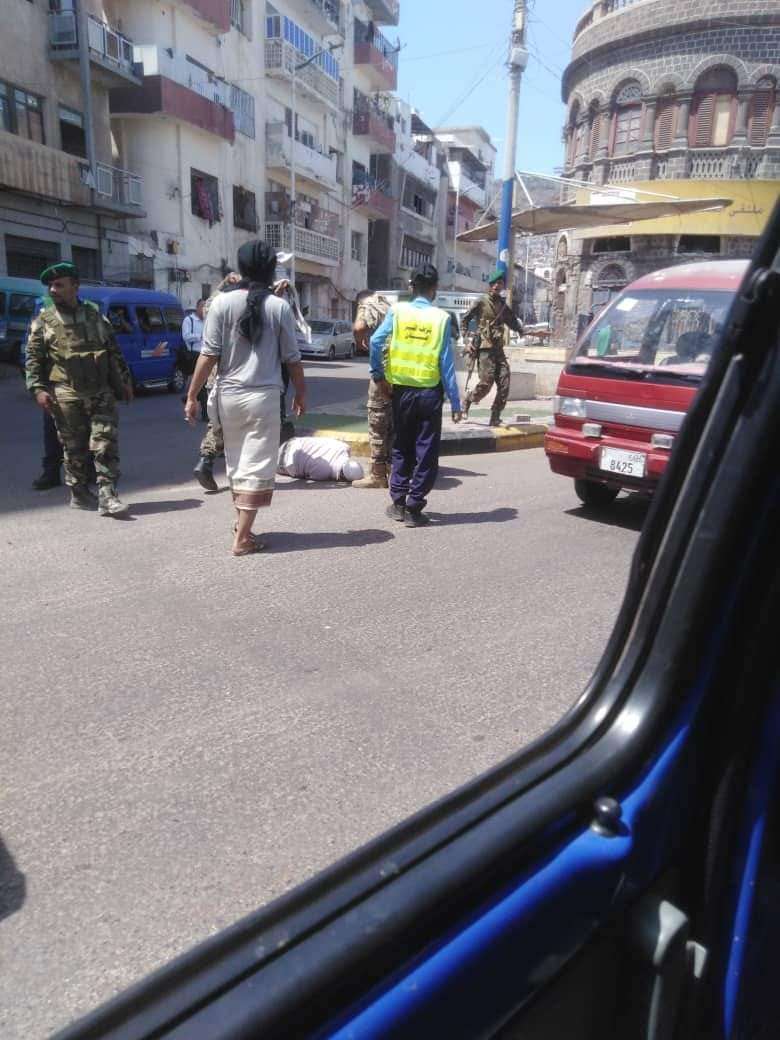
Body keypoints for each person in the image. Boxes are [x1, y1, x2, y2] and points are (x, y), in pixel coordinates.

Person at [185, 240, 306, 556]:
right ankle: (242, 538)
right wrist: (301, 395)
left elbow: (208, 355)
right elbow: (292, 359)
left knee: (236, 463)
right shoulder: (279, 307)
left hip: (227, 397)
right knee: (257, 465)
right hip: (263, 398)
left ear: (240, 268)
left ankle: (242, 526)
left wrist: (191, 395)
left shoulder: (221, 304)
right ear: (270, 270)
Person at [26, 261, 133, 516]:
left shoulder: (95, 315)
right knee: (74, 449)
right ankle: (79, 493)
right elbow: (33, 360)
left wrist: (124, 382)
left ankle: (107, 496)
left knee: (104, 442)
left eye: (59, 285)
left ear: (75, 286)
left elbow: (113, 351)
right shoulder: (44, 321)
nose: (53, 290)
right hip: (66, 394)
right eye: (51, 285)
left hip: (99, 392)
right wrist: (38, 389)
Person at [370, 264, 462, 528]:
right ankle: (414, 505)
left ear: (412, 287)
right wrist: (455, 401)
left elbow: (376, 341)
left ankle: (398, 502)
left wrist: (379, 374)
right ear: (434, 289)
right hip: (430, 393)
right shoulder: (441, 318)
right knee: (426, 450)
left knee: (401, 446)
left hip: (402, 392)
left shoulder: (397, 311)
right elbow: (446, 364)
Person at [193, 275, 296, 493]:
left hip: (219, 376)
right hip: (245, 377)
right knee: (243, 431)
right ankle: (242, 479)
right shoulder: (233, 303)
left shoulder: (218, 303)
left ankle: (208, 462)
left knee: (219, 424)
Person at [461, 270, 523, 427]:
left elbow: (513, 322)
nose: (497, 286)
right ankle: (468, 399)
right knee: (486, 383)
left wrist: (523, 331)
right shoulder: (481, 302)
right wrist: (467, 339)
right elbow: (465, 319)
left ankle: (495, 416)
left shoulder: (503, 306)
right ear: (490, 285)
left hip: (498, 350)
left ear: (502, 286)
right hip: (484, 349)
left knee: (505, 382)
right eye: (494, 283)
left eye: (500, 283)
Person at [351, 289, 391, 489]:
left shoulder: (367, 304)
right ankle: (394, 469)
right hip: (399, 369)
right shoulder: (389, 306)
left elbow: (359, 327)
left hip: (381, 368)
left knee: (377, 419)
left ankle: (378, 474)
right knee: (392, 421)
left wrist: (359, 341)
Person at [277, 436, 365, 483]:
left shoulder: (345, 447)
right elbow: (306, 476)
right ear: (342, 477)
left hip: (292, 442)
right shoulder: (323, 472)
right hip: (284, 462)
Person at [182, 299, 208, 421]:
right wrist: (200, 336)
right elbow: (186, 336)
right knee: (202, 384)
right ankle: (204, 413)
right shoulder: (189, 320)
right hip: (193, 355)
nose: (205, 310)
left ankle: (188, 398)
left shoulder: (207, 320)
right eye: (203, 307)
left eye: (206, 307)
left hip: (205, 355)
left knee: (203, 383)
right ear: (197, 307)